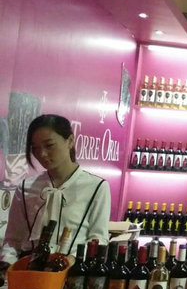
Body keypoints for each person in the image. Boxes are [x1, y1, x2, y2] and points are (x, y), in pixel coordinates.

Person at [1, 115, 111, 274]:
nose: (42, 154)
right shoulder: (26, 188)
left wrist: (71, 260)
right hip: (29, 273)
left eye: (49, 145)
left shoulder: (96, 187)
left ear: (70, 141)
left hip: (73, 273)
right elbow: (13, 240)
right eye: (35, 148)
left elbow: (98, 239)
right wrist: (8, 267)